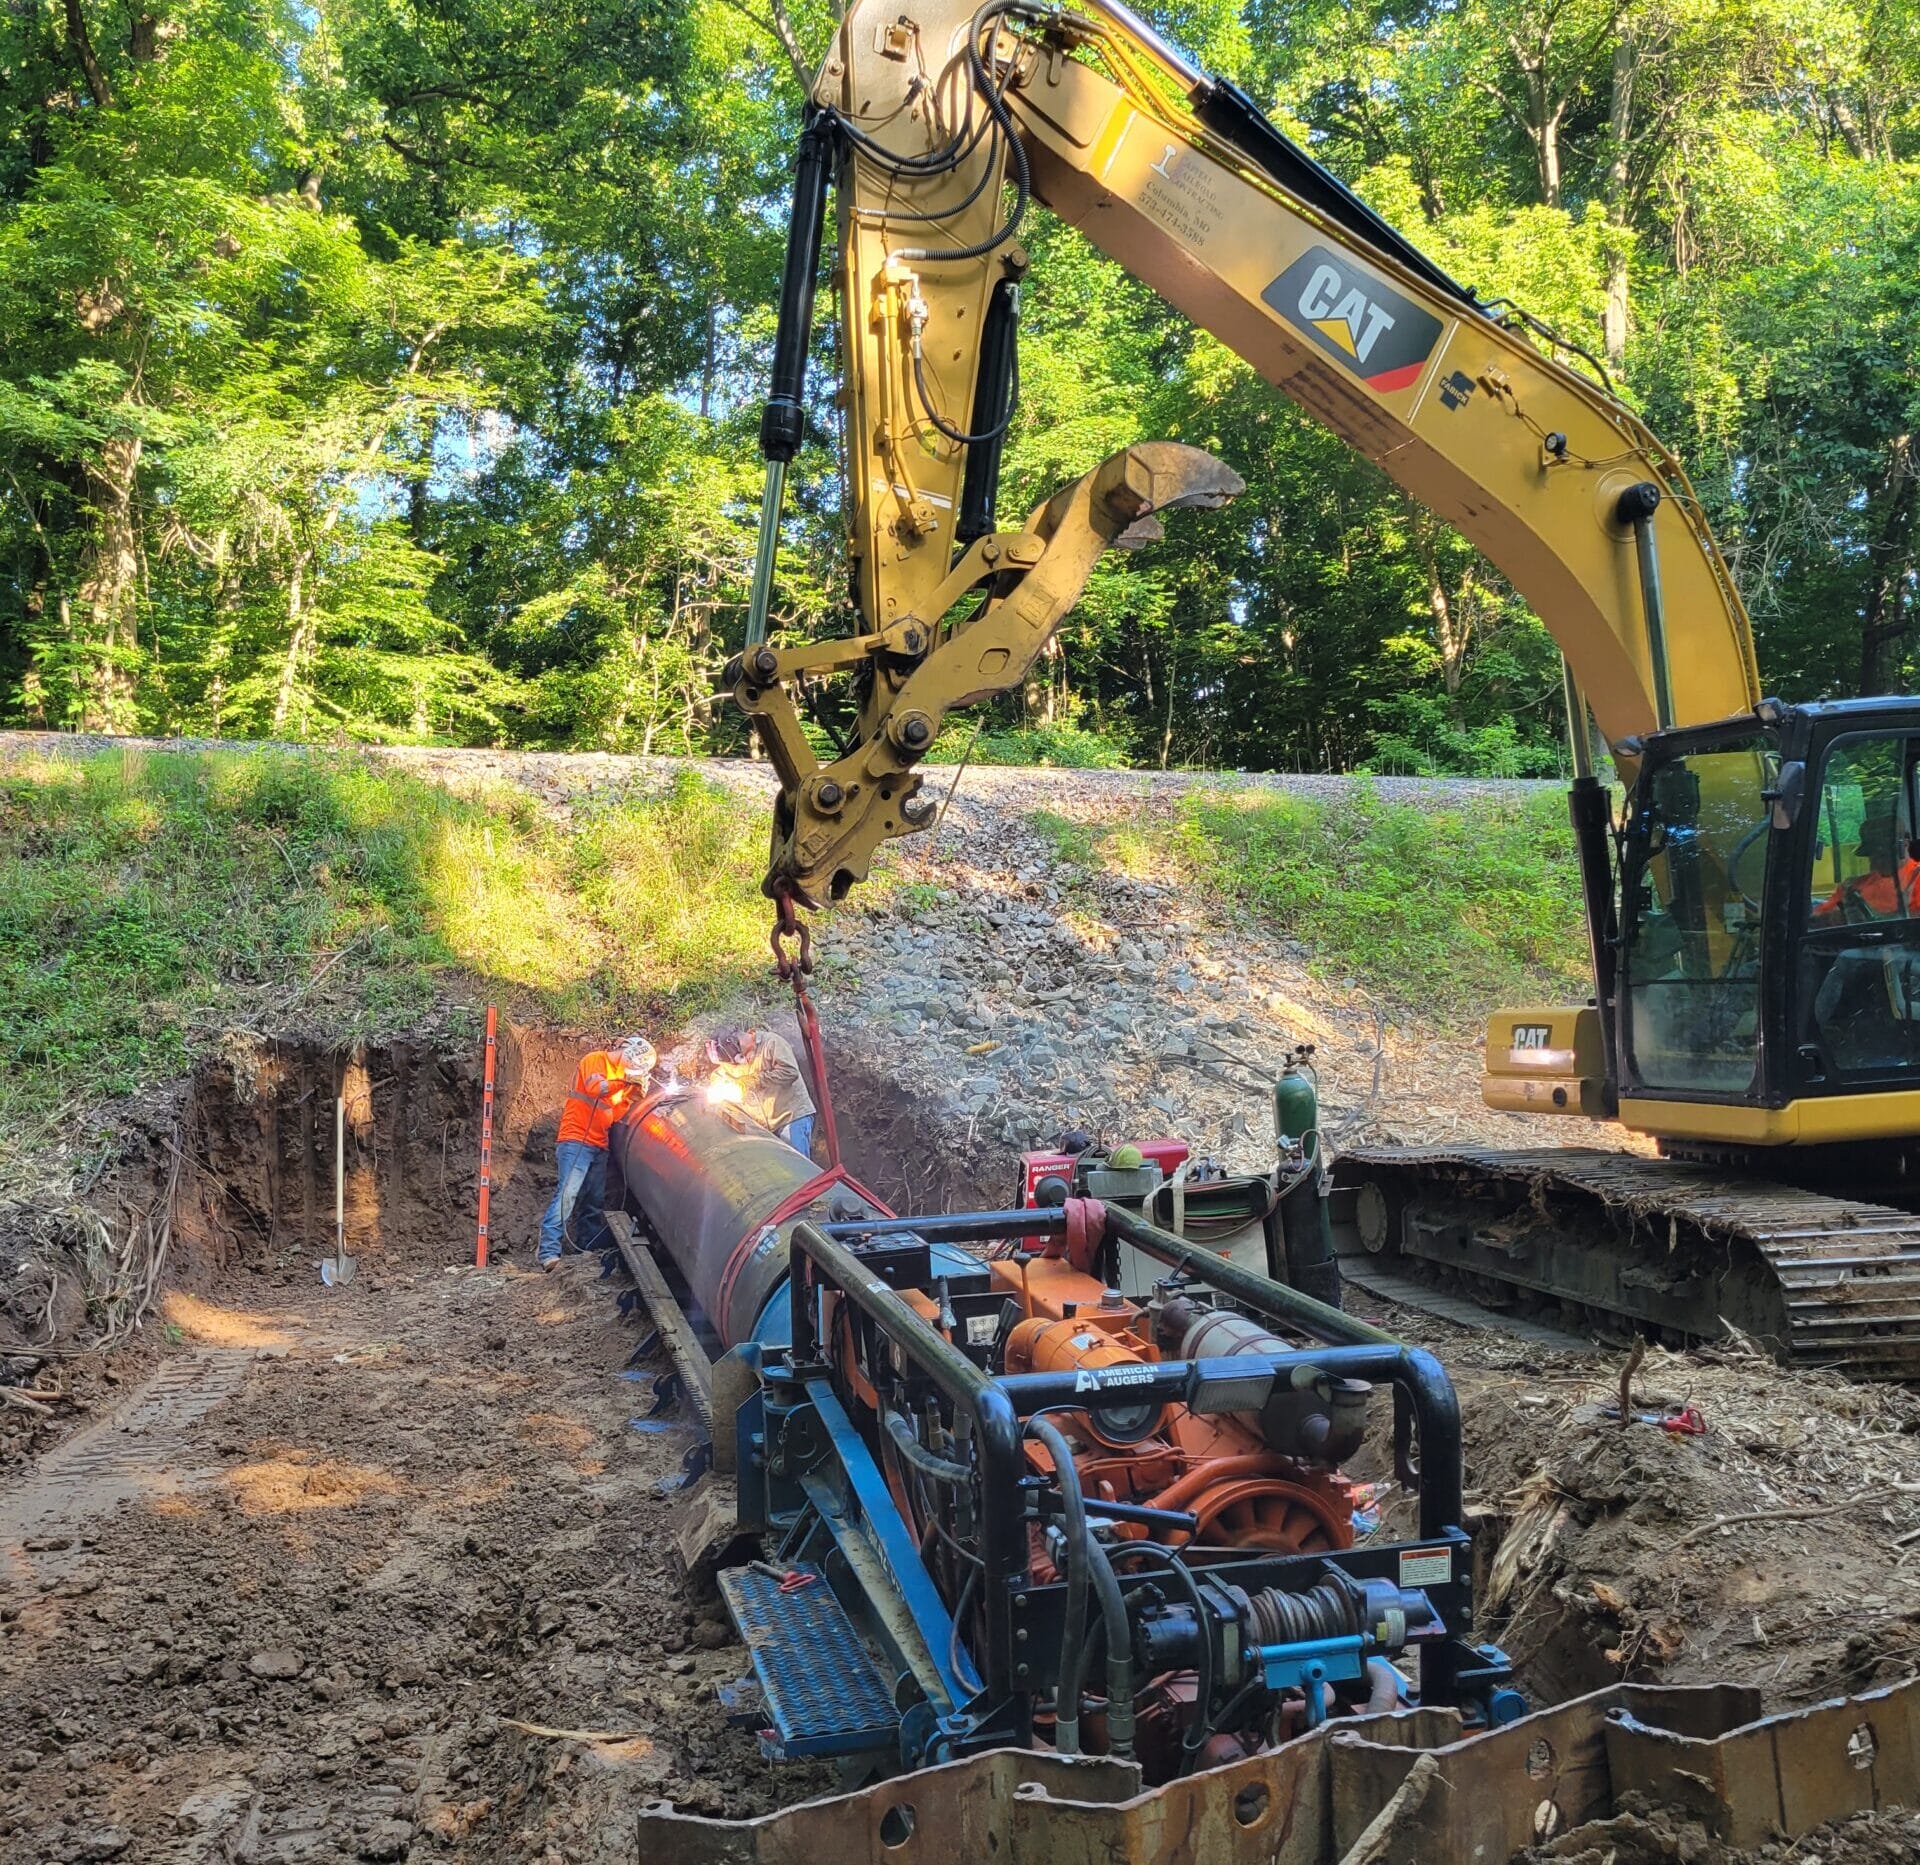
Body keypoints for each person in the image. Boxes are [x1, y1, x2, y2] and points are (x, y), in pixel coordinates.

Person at [540, 1035, 655, 1271]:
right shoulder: (596, 1060)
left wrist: (629, 1099)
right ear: (630, 1053)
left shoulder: (620, 1078)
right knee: (567, 1195)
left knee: (593, 1201)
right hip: (576, 1140)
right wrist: (626, 1082)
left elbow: (612, 1114)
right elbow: (596, 1088)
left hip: (599, 1145)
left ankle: (586, 1249)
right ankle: (548, 1252)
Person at [707, 1027, 817, 1156]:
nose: (734, 1065)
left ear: (734, 1044)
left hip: (790, 1117)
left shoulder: (772, 1043)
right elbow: (719, 1074)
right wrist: (718, 1084)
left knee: (796, 1164)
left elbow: (789, 1072)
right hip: (765, 1129)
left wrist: (752, 1082)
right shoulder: (731, 1060)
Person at [1814, 809, 1920, 923]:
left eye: (1882, 854)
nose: (1875, 862)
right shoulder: (1851, 886)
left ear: (1904, 845)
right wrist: (1833, 917)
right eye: (1870, 854)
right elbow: (1817, 917)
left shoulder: (1916, 879)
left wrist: (1869, 920)